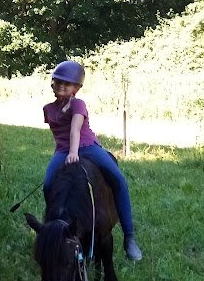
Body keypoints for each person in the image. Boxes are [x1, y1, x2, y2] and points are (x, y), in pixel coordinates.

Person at [42, 60, 143, 261]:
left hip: (87, 147)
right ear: (52, 83)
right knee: (48, 185)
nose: (62, 85)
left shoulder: (79, 104)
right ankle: (54, 228)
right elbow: (60, 134)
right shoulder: (48, 109)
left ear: (77, 88)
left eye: (68, 83)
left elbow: (75, 130)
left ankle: (129, 237)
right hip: (63, 150)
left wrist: (74, 152)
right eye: (58, 81)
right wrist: (67, 152)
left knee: (118, 180)